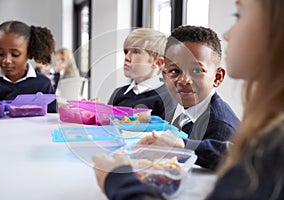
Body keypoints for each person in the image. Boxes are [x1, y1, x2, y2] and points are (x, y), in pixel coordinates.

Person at [92, 0, 284, 199]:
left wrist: (117, 180)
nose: (228, 34)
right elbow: (230, 154)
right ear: (164, 73)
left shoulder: (224, 127)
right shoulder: (263, 133)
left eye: (238, 15)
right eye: (174, 71)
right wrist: (184, 146)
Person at [139, 25, 239, 170]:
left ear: (217, 77)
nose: (184, 80)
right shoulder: (187, 114)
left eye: (196, 70)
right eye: (175, 71)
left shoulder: (219, 127)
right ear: (165, 75)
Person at [0, 20, 57, 113]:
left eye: (15, 54)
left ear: (30, 53)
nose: (7, 60)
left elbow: (51, 119)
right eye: (0, 54)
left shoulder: (43, 84)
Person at [107, 28, 177, 120]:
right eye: (126, 52)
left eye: (136, 52)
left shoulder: (168, 96)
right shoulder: (118, 93)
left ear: (158, 63)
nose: (127, 58)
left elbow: (168, 132)